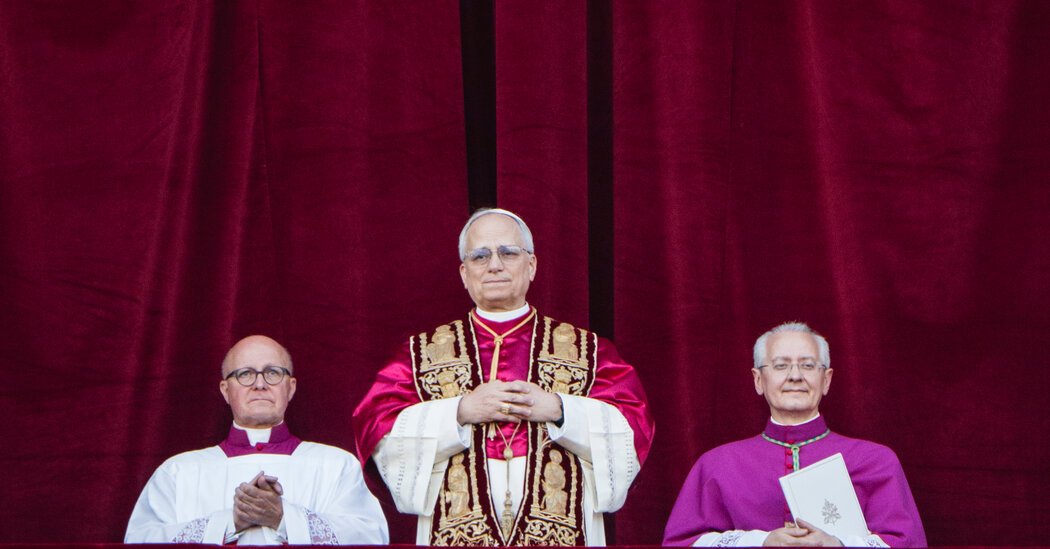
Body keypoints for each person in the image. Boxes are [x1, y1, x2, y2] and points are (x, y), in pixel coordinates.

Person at [353, 208, 655, 546]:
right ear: (464, 273)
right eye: (480, 256)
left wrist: (560, 409)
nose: (494, 265)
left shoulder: (588, 350)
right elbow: (377, 429)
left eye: (508, 253)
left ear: (532, 265)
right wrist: (459, 412)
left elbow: (633, 428)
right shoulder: (420, 354)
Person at [663, 323, 926, 547]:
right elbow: (681, 543)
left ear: (826, 380)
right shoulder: (717, 464)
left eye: (808, 365)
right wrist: (760, 542)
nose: (795, 376)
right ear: (758, 380)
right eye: (780, 366)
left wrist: (838, 544)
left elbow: (908, 543)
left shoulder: (876, 461)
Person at [125, 335, 389, 545]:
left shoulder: (337, 465)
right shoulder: (178, 471)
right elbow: (140, 540)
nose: (260, 384)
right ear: (225, 390)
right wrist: (229, 522)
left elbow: (371, 537)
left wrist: (285, 518)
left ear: (291, 388)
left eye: (273, 372)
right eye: (245, 374)